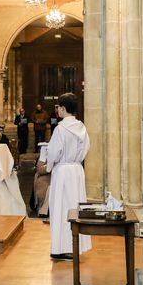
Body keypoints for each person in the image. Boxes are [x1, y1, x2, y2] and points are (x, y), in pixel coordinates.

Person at [46, 93, 91, 261]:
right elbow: (86, 147)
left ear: (63, 108)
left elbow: (53, 153)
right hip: (77, 170)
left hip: (63, 171)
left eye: (58, 107)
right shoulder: (82, 128)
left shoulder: (61, 128)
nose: (57, 110)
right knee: (74, 206)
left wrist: (49, 165)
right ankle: (75, 247)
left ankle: (60, 248)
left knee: (60, 208)